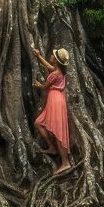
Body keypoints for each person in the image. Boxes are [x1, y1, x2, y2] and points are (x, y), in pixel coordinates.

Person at [32, 46, 71, 175]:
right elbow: (49, 66)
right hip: (57, 100)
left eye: (53, 56)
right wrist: (38, 56)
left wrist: (38, 85)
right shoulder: (59, 71)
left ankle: (65, 163)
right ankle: (52, 148)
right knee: (38, 123)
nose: (51, 56)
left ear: (56, 61)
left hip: (55, 101)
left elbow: (45, 87)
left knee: (58, 131)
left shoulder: (54, 74)